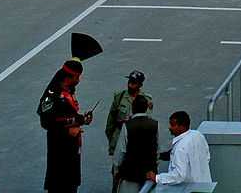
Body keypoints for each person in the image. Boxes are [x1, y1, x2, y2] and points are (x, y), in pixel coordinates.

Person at [38, 59, 94, 193]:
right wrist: (67, 132)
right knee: (60, 184)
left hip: (72, 148)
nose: (79, 80)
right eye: (78, 76)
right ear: (71, 77)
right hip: (59, 149)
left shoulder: (68, 91)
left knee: (72, 183)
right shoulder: (52, 95)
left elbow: (65, 117)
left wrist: (81, 120)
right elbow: (46, 122)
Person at [106, 71, 154, 192]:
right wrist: (113, 142)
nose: (130, 85)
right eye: (130, 82)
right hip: (121, 140)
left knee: (139, 178)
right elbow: (110, 122)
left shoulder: (146, 100)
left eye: (134, 83)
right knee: (117, 174)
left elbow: (148, 122)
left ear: (140, 85)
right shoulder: (120, 96)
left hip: (138, 144)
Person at [146, 111, 212, 188]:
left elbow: (179, 176)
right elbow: (207, 157)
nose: (169, 127)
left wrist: (156, 178)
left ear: (182, 127)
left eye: (173, 125)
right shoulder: (198, 135)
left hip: (190, 189)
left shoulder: (180, 148)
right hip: (205, 185)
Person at [112, 94, 158, 193]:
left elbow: (120, 151)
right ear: (146, 108)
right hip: (149, 175)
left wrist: (116, 170)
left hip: (130, 174)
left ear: (133, 108)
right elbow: (157, 150)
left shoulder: (128, 126)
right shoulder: (154, 124)